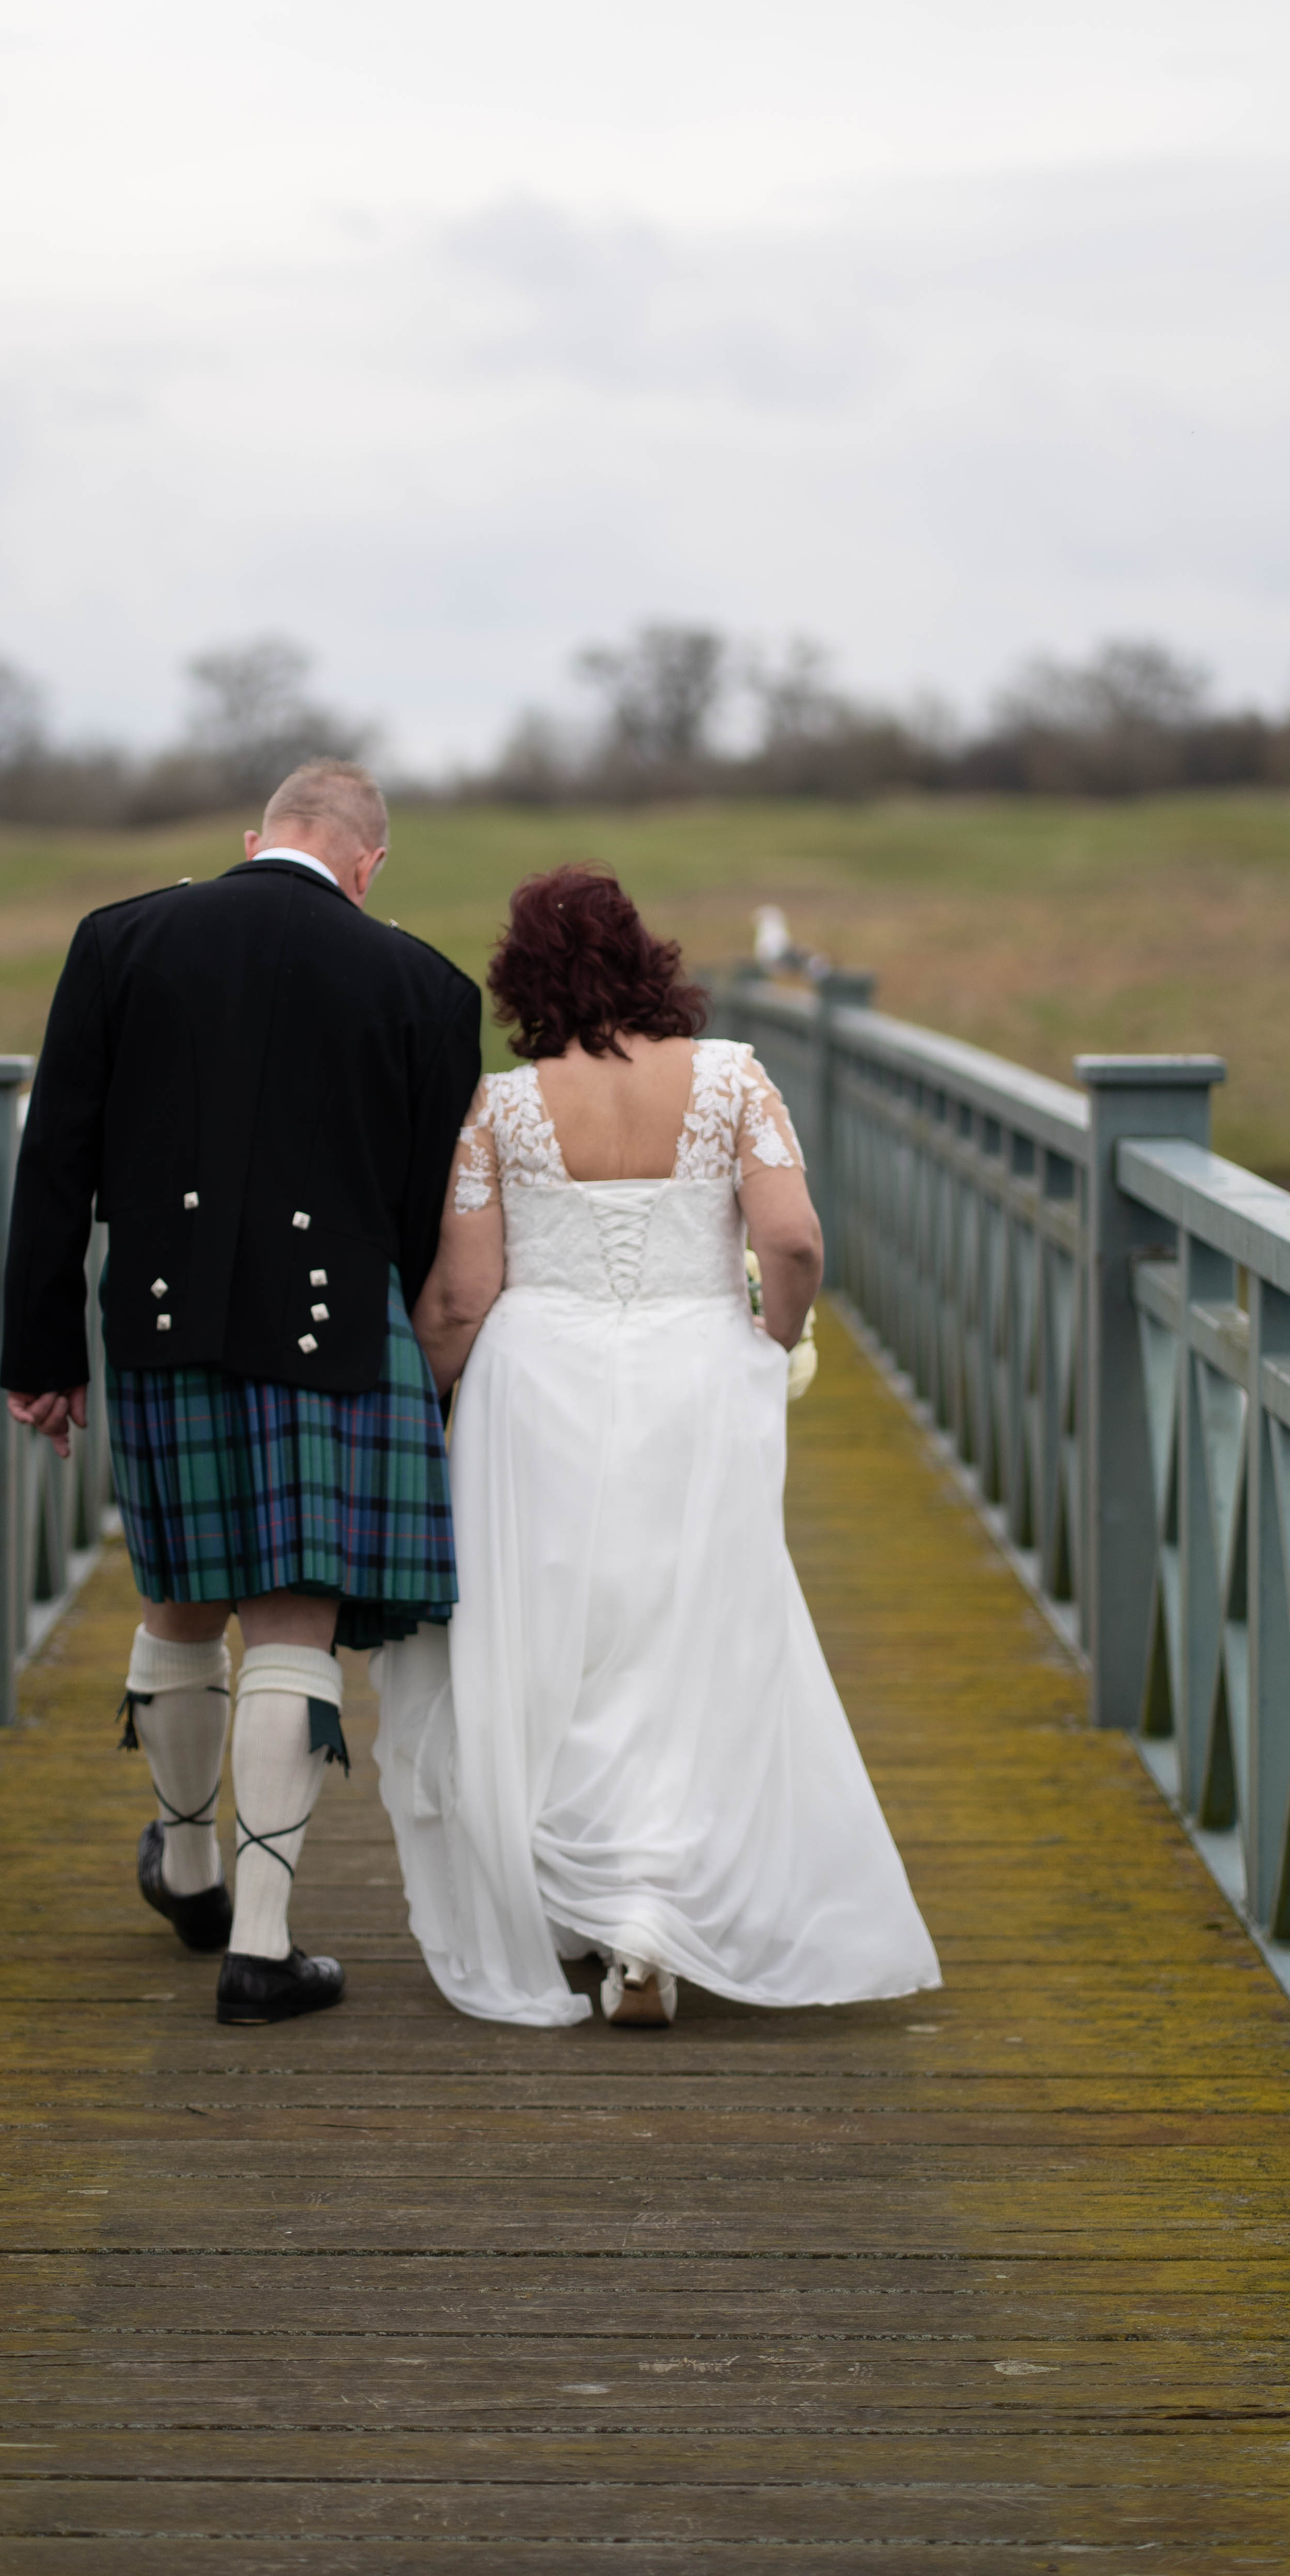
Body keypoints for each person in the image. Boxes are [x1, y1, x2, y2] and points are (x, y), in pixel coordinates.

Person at [375, 863, 940, 2030]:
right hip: (696, 1378)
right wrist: (766, 1345)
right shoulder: (733, 1077)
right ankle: (652, 1908)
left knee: (553, 1636)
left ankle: (585, 1905)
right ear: (651, 958)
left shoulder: (501, 1106)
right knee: (689, 1638)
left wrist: (427, 1408)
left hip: (538, 1384)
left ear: (519, 977)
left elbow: (460, 1298)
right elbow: (789, 1239)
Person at [1, 758, 482, 2025]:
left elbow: (57, 1158)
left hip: (159, 1317)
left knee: (180, 1594)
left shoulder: (122, 939)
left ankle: (191, 1862)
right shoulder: (425, 985)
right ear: (369, 864)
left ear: (254, 836)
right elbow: (429, 1206)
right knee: (292, 1617)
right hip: (339, 1329)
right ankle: (259, 1949)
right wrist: (433, 1368)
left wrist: (40, 1353)